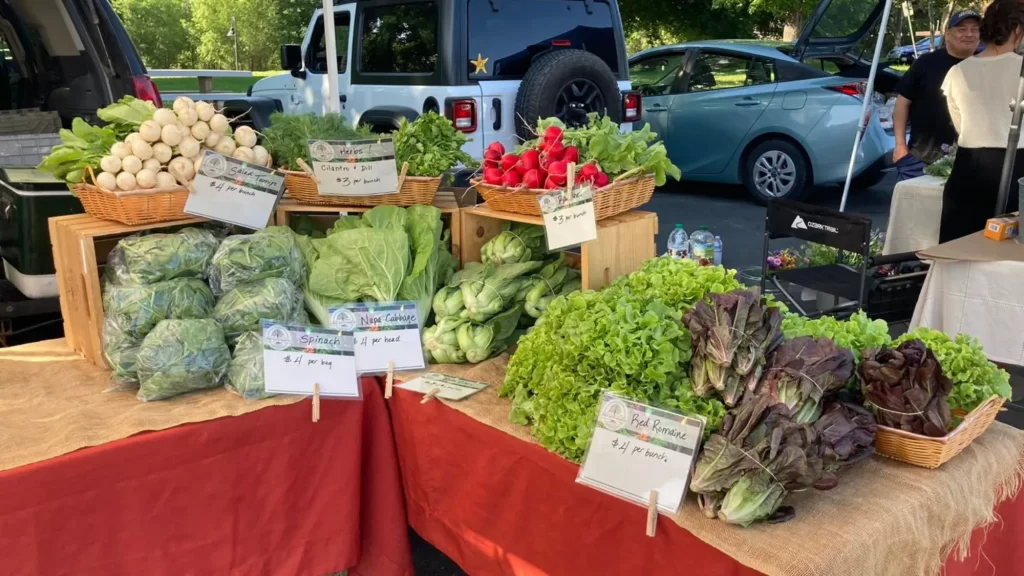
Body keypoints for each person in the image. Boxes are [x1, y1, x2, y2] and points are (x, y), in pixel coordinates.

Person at [939, 0, 1024, 243]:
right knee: (1012, 252)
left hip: (970, 167)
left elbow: (959, 123)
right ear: (1017, 30)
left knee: (961, 247)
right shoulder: (1022, 69)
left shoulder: (958, 71)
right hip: (1017, 164)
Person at [892, 10, 982, 181]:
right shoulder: (926, 62)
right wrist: (900, 145)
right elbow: (902, 103)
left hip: (971, 160)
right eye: (962, 29)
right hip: (920, 159)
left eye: (975, 29)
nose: (969, 34)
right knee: (912, 206)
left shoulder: (986, 66)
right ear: (948, 34)